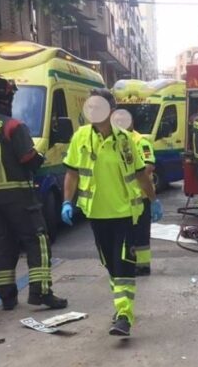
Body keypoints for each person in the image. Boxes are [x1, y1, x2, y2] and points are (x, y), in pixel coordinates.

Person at [61, 89, 161, 337]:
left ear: (111, 111)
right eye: (90, 107)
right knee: (110, 264)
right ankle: (121, 309)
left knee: (124, 263)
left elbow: (140, 174)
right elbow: (72, 173)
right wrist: (67, 201)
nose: (93, 112)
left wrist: (153, 199)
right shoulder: (80, 137)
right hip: (96, 214)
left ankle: (124, 315)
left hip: (125, 213)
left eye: (98, 107)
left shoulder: (126, 140)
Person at [0, 75, 66, 310]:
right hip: (17, 197)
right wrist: (39, 158)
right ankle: (40, 292)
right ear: (6, 98)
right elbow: (29, 160)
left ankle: (7, 298)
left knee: (1, 245)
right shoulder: (12, 126)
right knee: (38, 240)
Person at [130, 127, 158, 276]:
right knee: (126, 232)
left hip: (141, 196)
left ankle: (142, 266)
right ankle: (129, 262)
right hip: (122, 198)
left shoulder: (141, 142)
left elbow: (148, 166)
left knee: (141, 232)